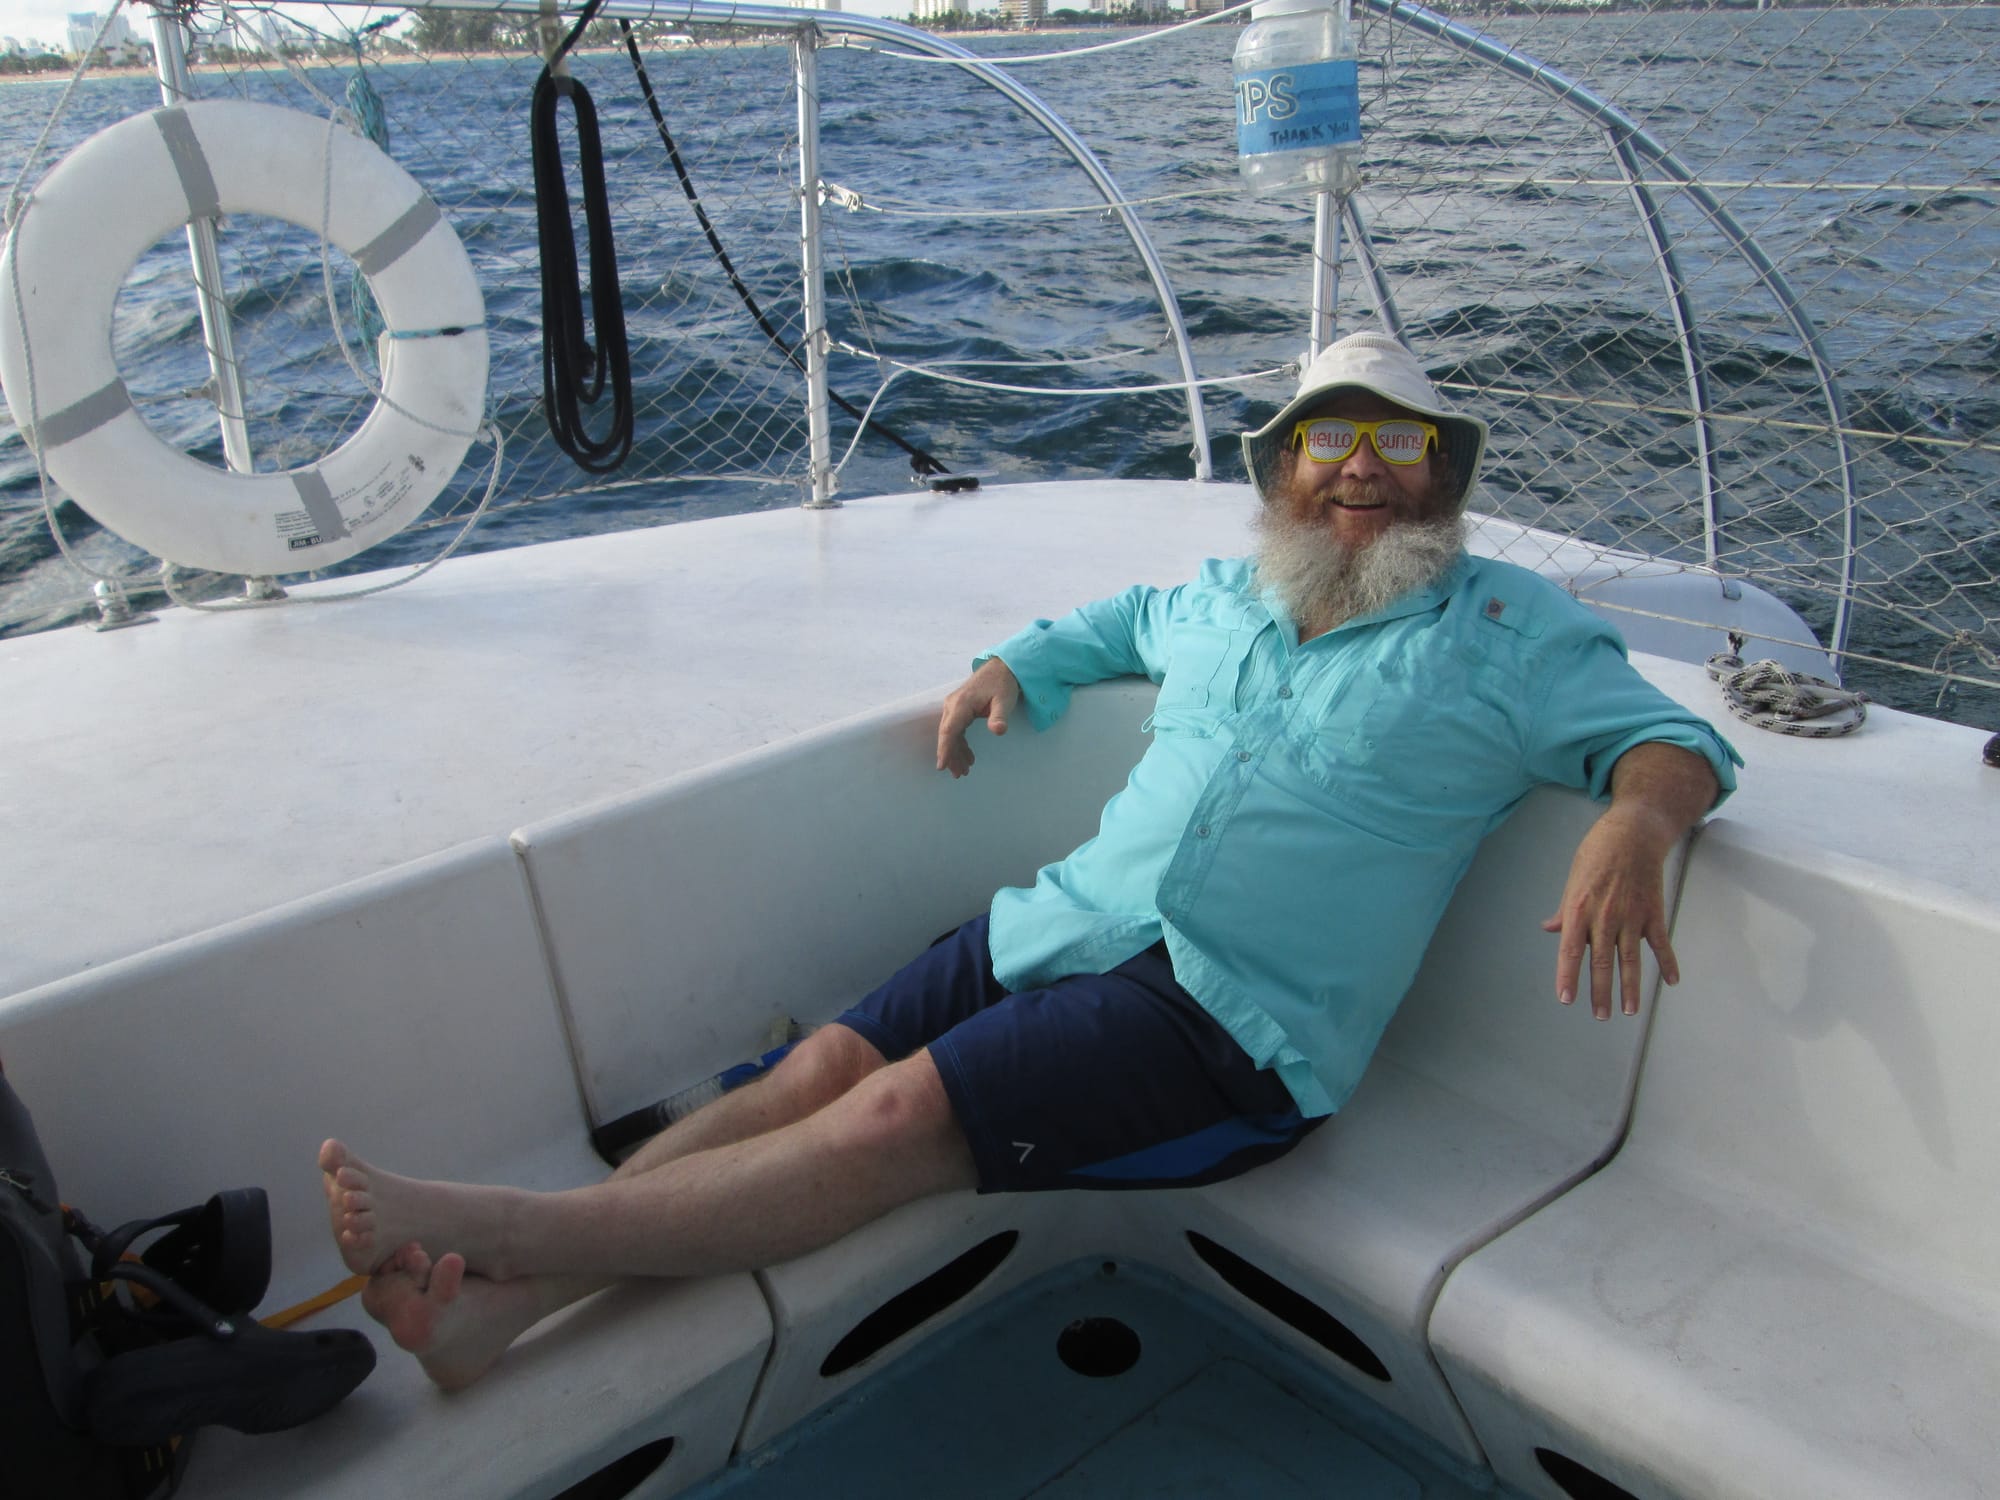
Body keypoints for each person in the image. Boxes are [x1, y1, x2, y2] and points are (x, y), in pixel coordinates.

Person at [320, 331, 1740, 1390]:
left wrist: (1634, 821)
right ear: (1286, 470)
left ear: (1442, 470)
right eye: (1328, 437)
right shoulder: (1231, 594)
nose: (1360, 463)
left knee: (887, 1119)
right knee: (818, 1069)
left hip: (1234, 1025)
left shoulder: (1508, 632)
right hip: (1070, 924)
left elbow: (1673, 743)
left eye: (1396, 439)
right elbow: (1115, 621)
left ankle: (509, 1229)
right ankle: (507, 1309)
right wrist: (1017, 664)